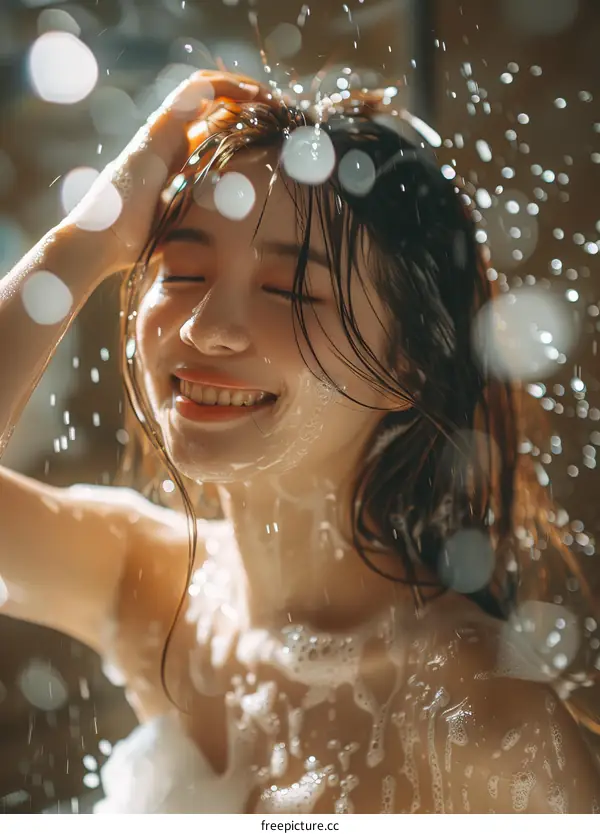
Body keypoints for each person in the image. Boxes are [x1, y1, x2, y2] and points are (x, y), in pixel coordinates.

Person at [0, 68, 598, 814]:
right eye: (181, 269)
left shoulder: (486, 723)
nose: (204, 328)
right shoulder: (149, 584)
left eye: (290, 291)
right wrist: (86, 239)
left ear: (402, 367)